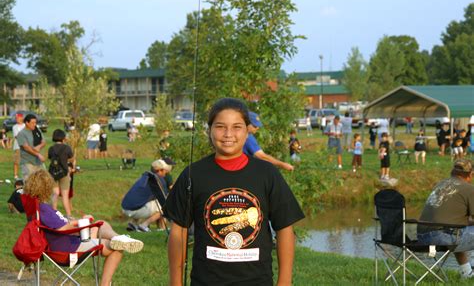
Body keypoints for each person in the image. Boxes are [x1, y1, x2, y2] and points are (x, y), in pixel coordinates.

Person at [164, 97, 304, 285]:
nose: (228, 134)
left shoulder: (267, 173)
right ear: (210, 130)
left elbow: (285, 228)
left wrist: (284, 282)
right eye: (220, 126)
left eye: (237, 127)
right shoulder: (193, 174)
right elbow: (178, 231)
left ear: (247, 132)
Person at [24, 169, 143, 286]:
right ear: (46, 188)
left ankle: (119, 238)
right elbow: (62, 228)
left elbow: (60, 225)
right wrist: (82, 223)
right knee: (117, 248)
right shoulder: (45, 209)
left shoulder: (37, 208)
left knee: (102, 223)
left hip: (65, 243)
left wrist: (77, 222)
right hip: (68, 249)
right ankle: (106, 282)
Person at [417, 159, 474, 279]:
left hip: (422, 237)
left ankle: (466, 272)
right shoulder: (469, 188)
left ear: (452, 172)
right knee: (457, 232)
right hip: (443, 237)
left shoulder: (441, 184)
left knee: (457, 229)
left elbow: (452, 218)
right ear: (470, 174)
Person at [122, 159, 172, 232]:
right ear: (160, 170)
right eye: (165, 170)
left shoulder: (145, 176)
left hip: (125, 208)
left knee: (145, 201)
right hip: (134, 210)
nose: (166, 173)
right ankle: (144, 225)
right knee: (165, 206)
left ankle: (133, 224)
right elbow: (163, 198)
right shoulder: (159, 180)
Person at [47, 129, 75, 219]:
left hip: (52, 173)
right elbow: (71, 158)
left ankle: (54, 213)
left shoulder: (51, 148)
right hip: (64, 172)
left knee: (55, 193)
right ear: (63, 138)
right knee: (65, 195)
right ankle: (68, 215)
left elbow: (50, 158)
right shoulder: (67, 148)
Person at [17, 114, 46, 180]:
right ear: (27, 123)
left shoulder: (37, 130)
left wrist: (39, 146)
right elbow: (26, 148)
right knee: (29, 184)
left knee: (43, 181)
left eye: (35, 122)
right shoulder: (21, 134)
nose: (34, 124)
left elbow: (43, 142)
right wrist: (38, 154)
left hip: (39, 162)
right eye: (32, 123)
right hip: (28, 162)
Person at [12, 113, 25, 180]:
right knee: (16, 161)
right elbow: (17, 136)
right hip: (18, 146)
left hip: (26, 147)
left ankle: (25, 175)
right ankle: (16, 176)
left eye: (18, 117)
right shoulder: (14, 127)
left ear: (21, 118)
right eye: (16, 118)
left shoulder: (25, 125)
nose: (16, 119)